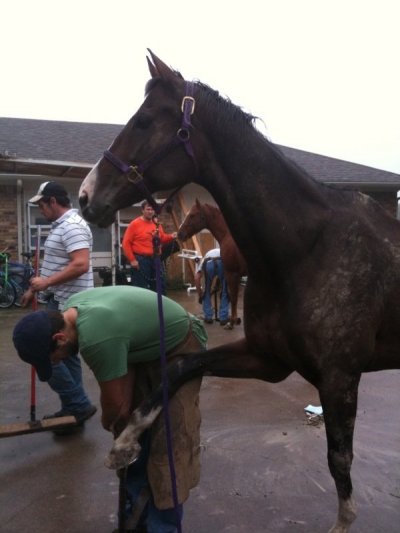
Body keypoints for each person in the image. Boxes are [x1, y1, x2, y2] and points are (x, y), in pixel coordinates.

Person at [13, 285, 207, 533]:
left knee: (168, 443)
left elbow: (113, 408)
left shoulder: (96, 338)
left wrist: (114, 421)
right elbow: (122, 403)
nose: (56, 361)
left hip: (180, 343)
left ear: (59, 338)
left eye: (55, 357)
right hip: (142, 347)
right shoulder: (70, 312)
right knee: (133, 440)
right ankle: (136, 522)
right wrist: (125, 427)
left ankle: (163, 528)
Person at [22, 181, 96, 425]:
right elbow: (56, 264)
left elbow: (80, 264)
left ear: (53, 201)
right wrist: (36, 289)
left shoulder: (73, 226)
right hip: (58, 298)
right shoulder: (60, 226)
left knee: (43, 352)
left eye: (42, 204)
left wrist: (47, 282)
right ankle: (74, 409)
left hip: (68, 303)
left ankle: (78, 404)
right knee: (66, 356)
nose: (40, 210)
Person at [122, 201, 177, 295]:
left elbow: (162, 238)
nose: (150, 212)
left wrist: (171, 236)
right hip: (141, 260)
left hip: (155, 259)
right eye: (148, 209)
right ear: (142, 210)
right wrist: (132, 260)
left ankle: (159, 308)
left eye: (152, 209)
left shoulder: (156, 224)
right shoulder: (134, 224)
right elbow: (125, 243)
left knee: (160, 287)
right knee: (141, 289)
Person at [195, 248, 230, 325]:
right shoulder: (224, 251)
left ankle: (208, 317)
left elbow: (197, 278)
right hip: (222, 261)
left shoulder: (204, 259)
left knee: (206, 290)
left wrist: (200, 294)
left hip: (208, 263)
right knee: (225, 290)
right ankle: (223, 318)